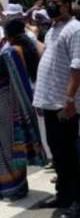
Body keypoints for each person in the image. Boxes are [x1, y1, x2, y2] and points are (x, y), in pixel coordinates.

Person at [32, 0, 80, 218]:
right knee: (58, 154)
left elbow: (77, 67)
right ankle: (63, 195)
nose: (50, 6)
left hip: (63, 105)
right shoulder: (54, 29)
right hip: (49, 100)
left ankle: (79, 202)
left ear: (67, 5)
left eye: (55, 3)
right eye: (48, 3)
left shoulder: (77, 31)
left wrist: (68, 101)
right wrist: (40, 98)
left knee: (69, 154)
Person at [0, 18, 46, 200]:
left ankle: (11, 187)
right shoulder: (27, 48)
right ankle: (19, 185)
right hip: (18, 103)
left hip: (7, 104)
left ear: (8, 34)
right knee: (13, 146)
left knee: (6, 147)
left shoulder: (10, 52)